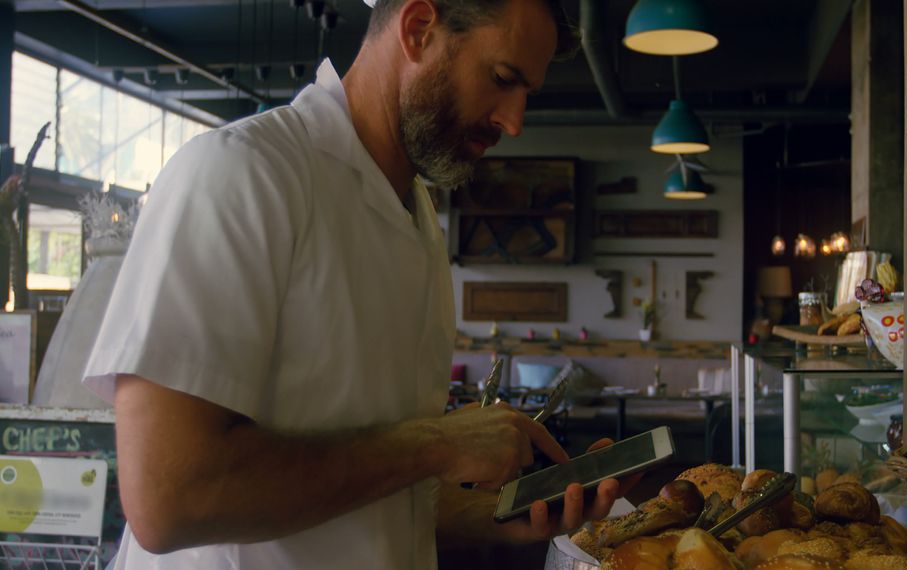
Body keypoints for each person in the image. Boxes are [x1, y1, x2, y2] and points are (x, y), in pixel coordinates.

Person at [82, 0, 632, 568]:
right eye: (501, 79)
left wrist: (496, 516)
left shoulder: (417, 219)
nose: (513, 121)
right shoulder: (242, 173)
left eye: (527, 94)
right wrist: (439, 444)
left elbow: (370, 499)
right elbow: (168, 499)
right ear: (419, 29)